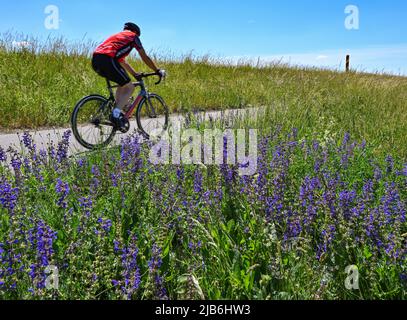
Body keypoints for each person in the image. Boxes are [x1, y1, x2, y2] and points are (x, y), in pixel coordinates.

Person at [92, 22, 166, 129]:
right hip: (107, 58)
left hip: (96, 59)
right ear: (136, 32)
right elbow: (144, 57)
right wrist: (157, 70)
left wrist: (135, 74)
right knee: (130, 87)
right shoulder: (133, 36)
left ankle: (117, 110)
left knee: (122, 83)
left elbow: (122, 62)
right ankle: (115, 114)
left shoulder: (118, 37)